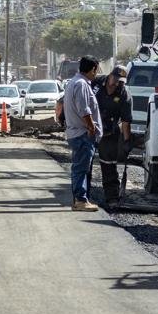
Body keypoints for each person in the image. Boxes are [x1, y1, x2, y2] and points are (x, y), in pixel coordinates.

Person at [64, 55, 102, 211]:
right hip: (82, 134)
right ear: (93, 69)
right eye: (96, 70)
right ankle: (80, 200)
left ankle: (79, 199)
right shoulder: (81, 84)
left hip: (78, 133)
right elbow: (84, 110)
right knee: (81, 168)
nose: (97, 74)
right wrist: (92, 128)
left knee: (80, 168)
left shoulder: (75, 82)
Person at [93, 65, 132, 209]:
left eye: (120, 81)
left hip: (109, 132)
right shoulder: (96, 83)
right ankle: (82, 196)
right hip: (89, 129)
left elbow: (126, 121)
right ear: (110, 75)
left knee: (109, 164)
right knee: (85, 164)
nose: (117, 83)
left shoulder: (124, 94)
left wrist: (127, 141)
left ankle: (112, 198)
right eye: (115, 79)